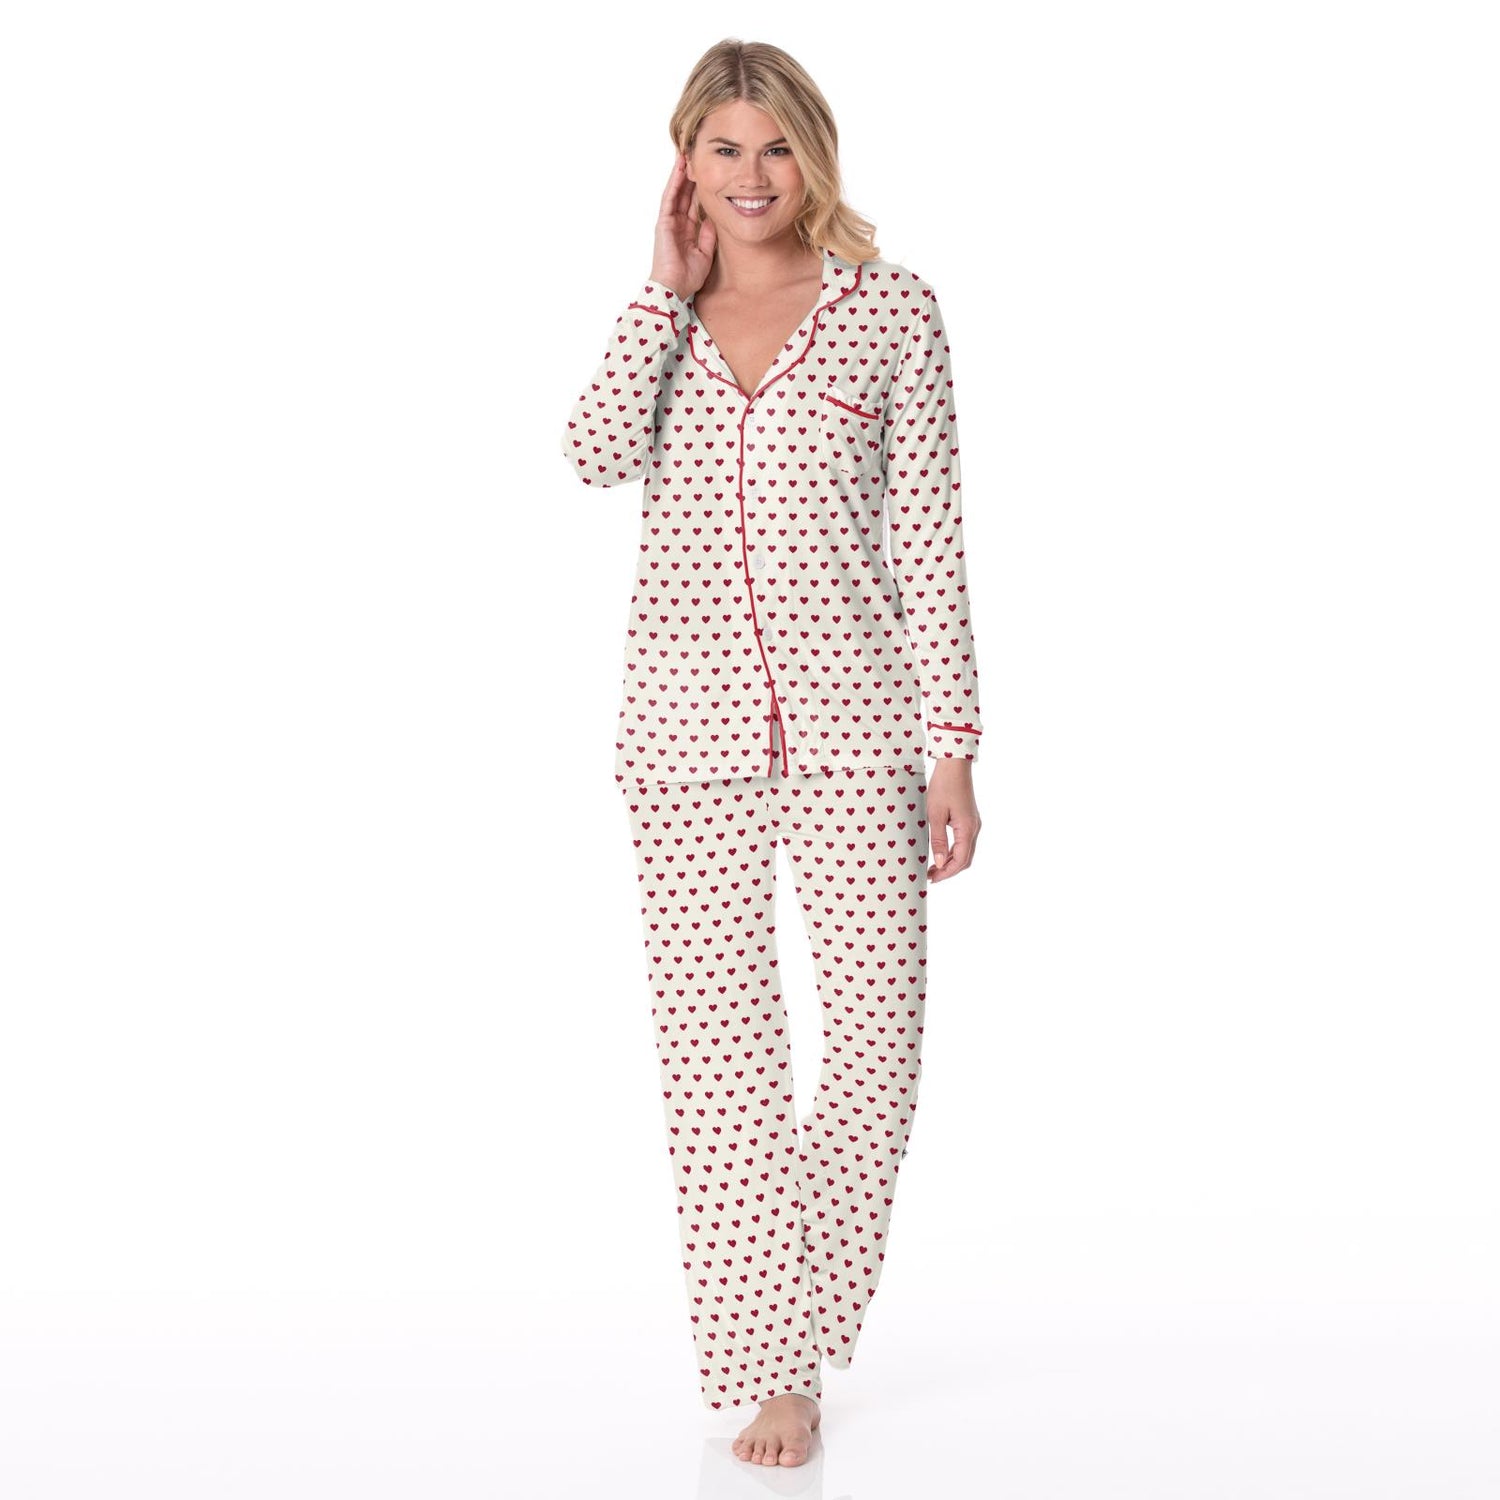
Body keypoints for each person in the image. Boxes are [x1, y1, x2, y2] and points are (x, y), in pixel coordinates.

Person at [559, 38, 986, 1468]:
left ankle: (801, 1314)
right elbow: (591, 454)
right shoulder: (663, 322)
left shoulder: (891, 311)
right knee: (720, 1069)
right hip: (683, 744)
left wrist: (954, 747)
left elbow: (932, 539)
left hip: (859, 736)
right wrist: (657, 291)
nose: (752, 176)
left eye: (777, 146)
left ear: (816, 152)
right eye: (724, 148)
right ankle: (775, 1370)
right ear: (686, 160)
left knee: (877, 1047)